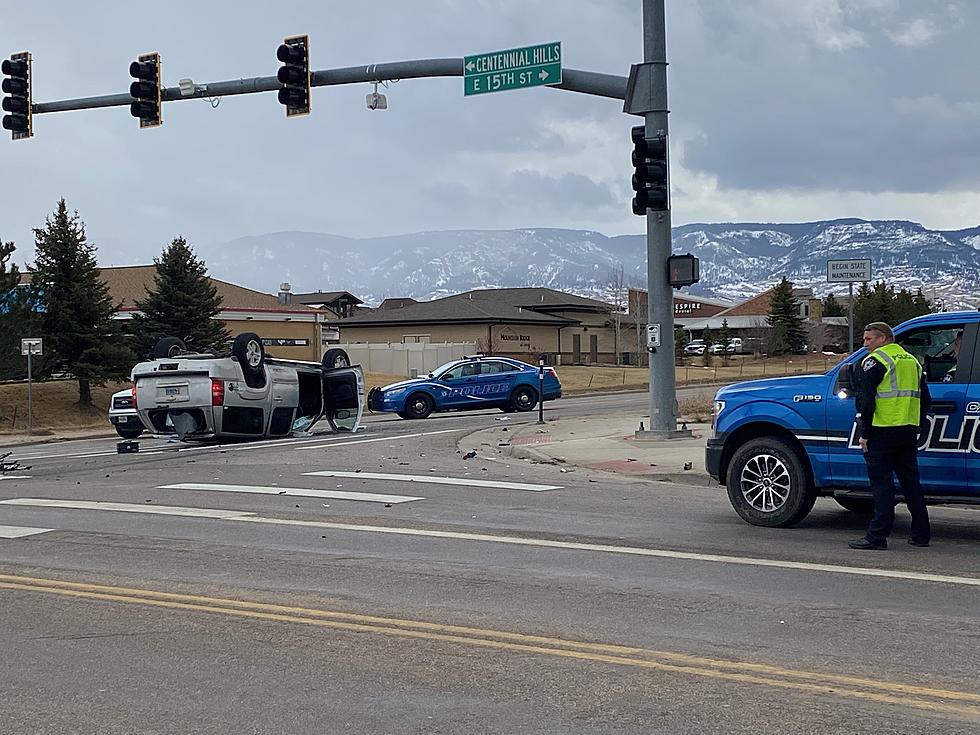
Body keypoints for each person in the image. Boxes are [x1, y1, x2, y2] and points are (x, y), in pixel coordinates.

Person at [848, 322, 932, 550]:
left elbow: (866, 401)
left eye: (868, 340)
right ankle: (921, 534)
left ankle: (877, 536)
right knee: (911, 483)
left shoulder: (875, 362)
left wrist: (865, 433)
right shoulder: (912, 361)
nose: (865, 345)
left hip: (882, 430)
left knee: (882, 485)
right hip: (907, 430)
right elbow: (926, 400)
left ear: (883, 338)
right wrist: (917, 424)